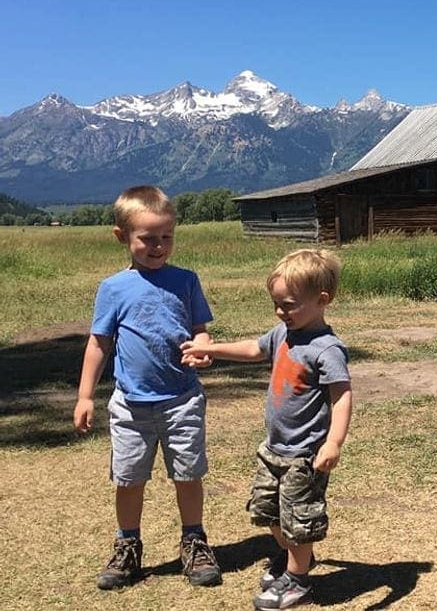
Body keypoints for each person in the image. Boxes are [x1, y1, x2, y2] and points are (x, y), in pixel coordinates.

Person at [181, 248, 352, 610]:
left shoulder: (327, 349)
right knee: (267, 511)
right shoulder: (283, 333)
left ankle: (298, 580)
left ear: (322, 300)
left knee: (299, 520)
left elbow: (342, 396)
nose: (280, 312)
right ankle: (296, 559)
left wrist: (333, 442)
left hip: (303, 456)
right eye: (276, 304)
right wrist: (210, 349)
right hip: (273, 449)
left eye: (289, 304)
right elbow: (253, 349)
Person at [73, 184, 222, 590]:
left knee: (188, 476)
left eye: (166, 237)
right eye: (147, 238)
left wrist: (204, 348)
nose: (158, 246)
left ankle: (194, 540)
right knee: (129, 479)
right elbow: (99, 343)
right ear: (122, 237)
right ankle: (128, 545)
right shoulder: (113, 288)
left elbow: (199, 330)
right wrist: (86, 395)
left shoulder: (186, 280)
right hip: (130, 406)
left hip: (182, 400)